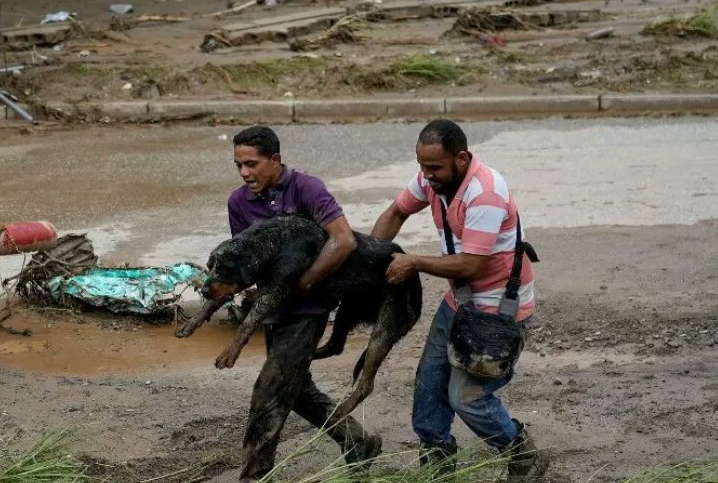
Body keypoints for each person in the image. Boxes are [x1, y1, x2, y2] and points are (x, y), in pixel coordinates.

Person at [370, 119, 546, 482]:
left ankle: (523, 455)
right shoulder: (432, 177)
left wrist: (413, 261)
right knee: (428, 386)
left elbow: (471, 263)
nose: (426, 176)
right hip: (461, 300)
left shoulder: (485, 193)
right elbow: (396, 212)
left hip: (499, 309)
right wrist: (370, 258)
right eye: (421, 166)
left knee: (467, 397)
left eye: (434, 168)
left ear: (462, 159)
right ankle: (438, 465)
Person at [225, 126, 382, 482]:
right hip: (271, 308)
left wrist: (306, 281)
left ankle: (255, 476)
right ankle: (358, 442)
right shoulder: (238, 203)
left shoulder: (306, 188)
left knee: (269, 392)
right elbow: (245, 258)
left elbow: (343, 241)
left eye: (251, 164)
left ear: (275, 160)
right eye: (238, 165)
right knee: (297, 391)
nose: (244, 173)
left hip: (308, 309)